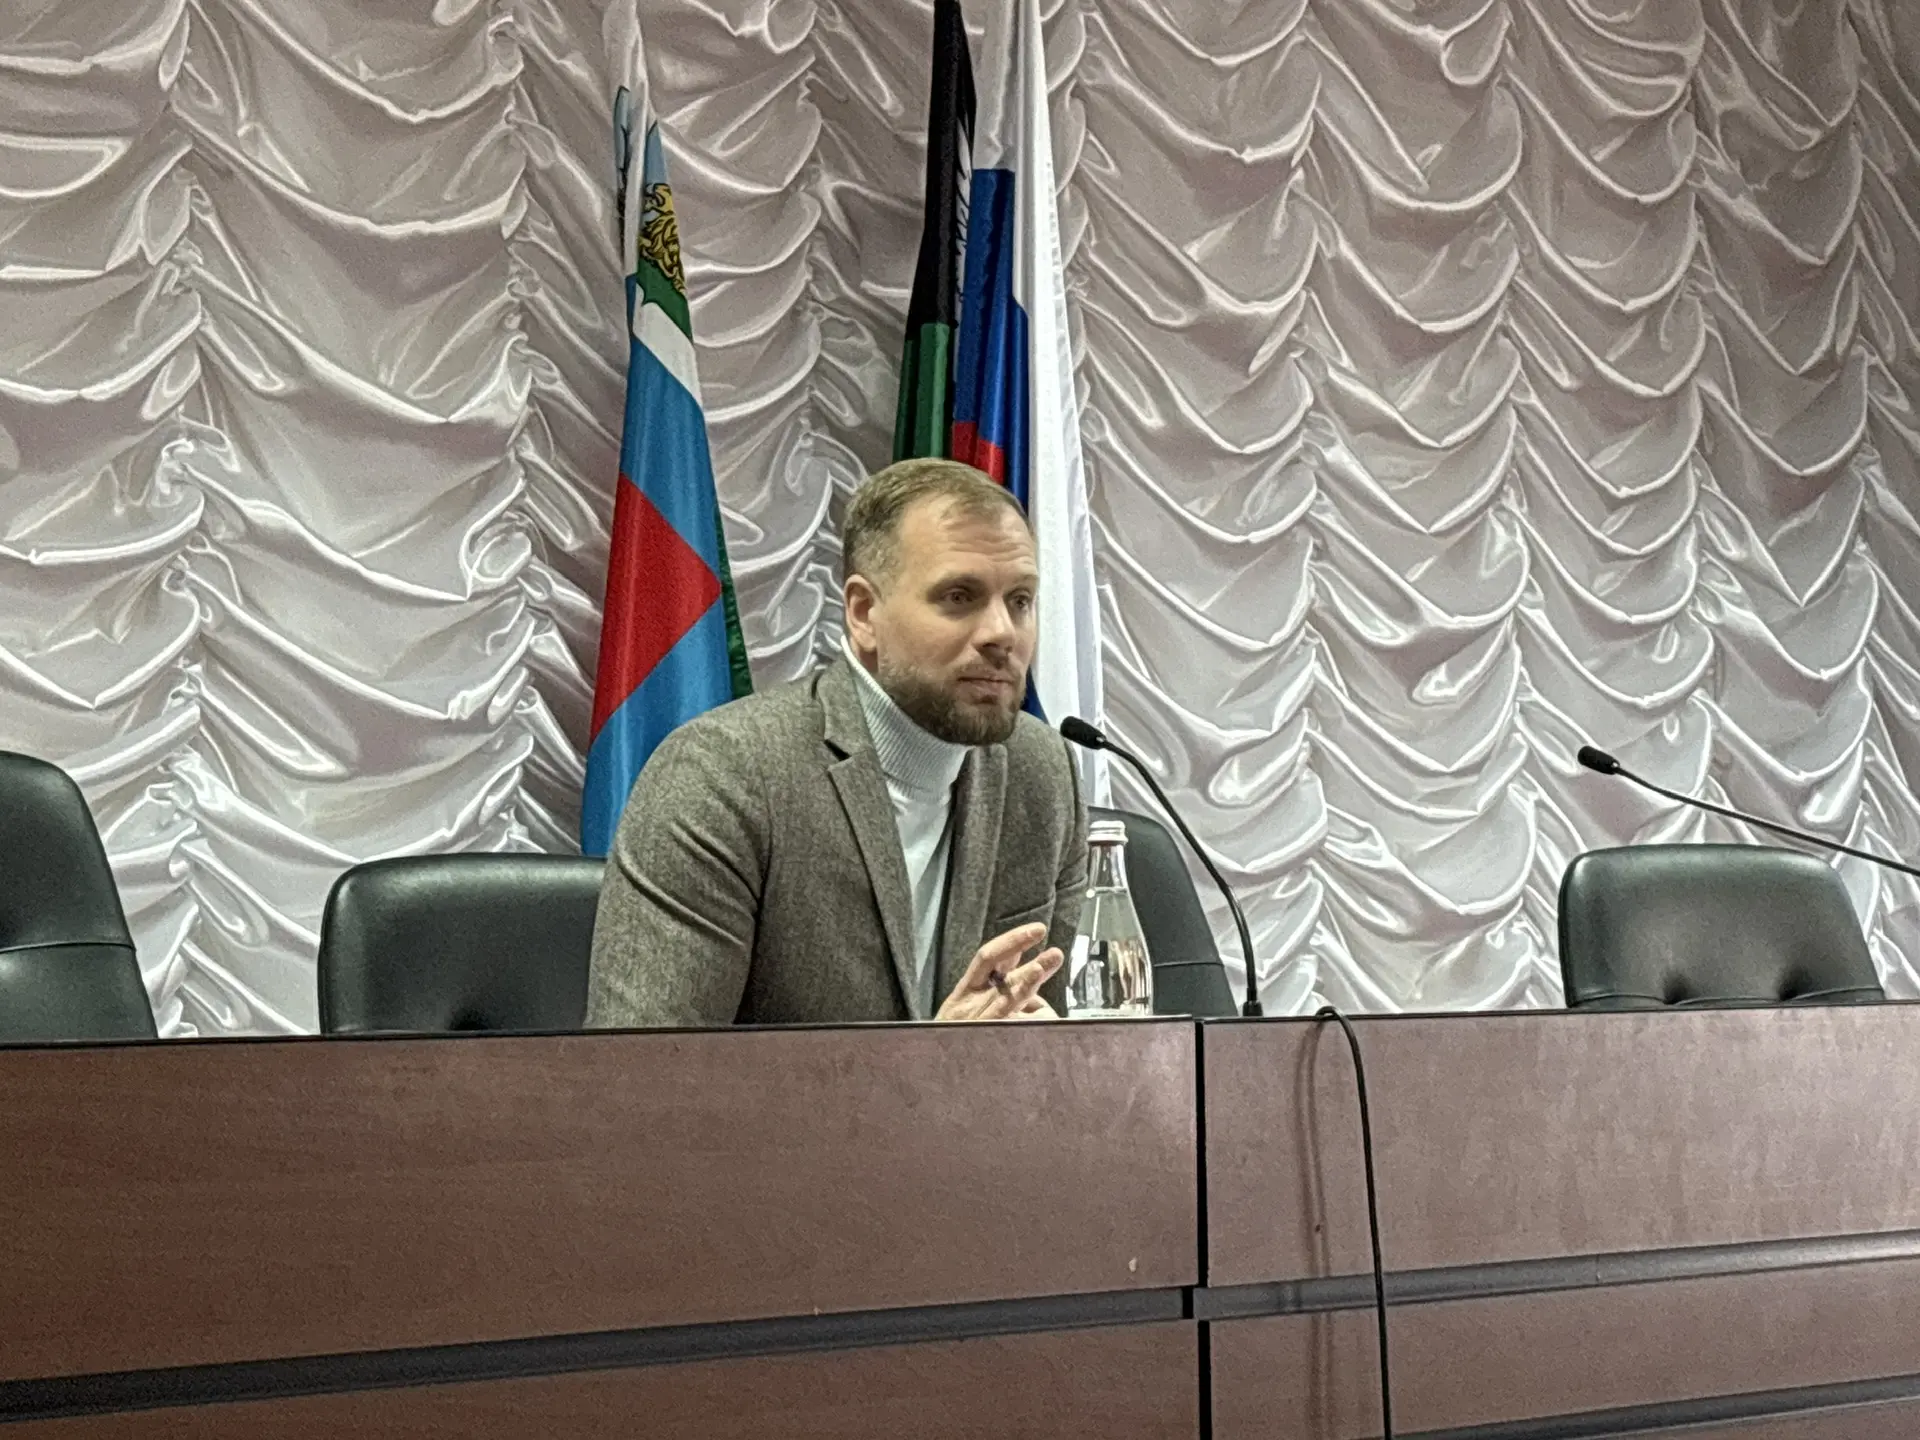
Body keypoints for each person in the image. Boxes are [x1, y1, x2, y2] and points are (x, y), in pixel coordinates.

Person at [585, 457, 1089, 1027]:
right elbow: (642, 1072)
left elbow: (1067, 1037)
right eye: (958, 596)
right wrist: (933, 1067)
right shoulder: (722, 778)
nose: (1002, 633)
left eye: (1020, 600)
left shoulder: (1041, 771)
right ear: (864, 613)